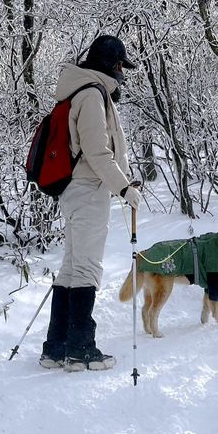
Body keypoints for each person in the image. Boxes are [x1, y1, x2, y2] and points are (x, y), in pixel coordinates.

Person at [40, 35, 141, 372]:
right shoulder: (92, 95)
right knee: (87, 268)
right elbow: (98, 152)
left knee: (72, 265)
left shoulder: (79, 90)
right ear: (110, 65)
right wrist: (124, 189)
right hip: (88, 188)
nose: (121, 72)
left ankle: (56, 348)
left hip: (75, 189)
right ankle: (80, 349)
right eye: (119, 65)